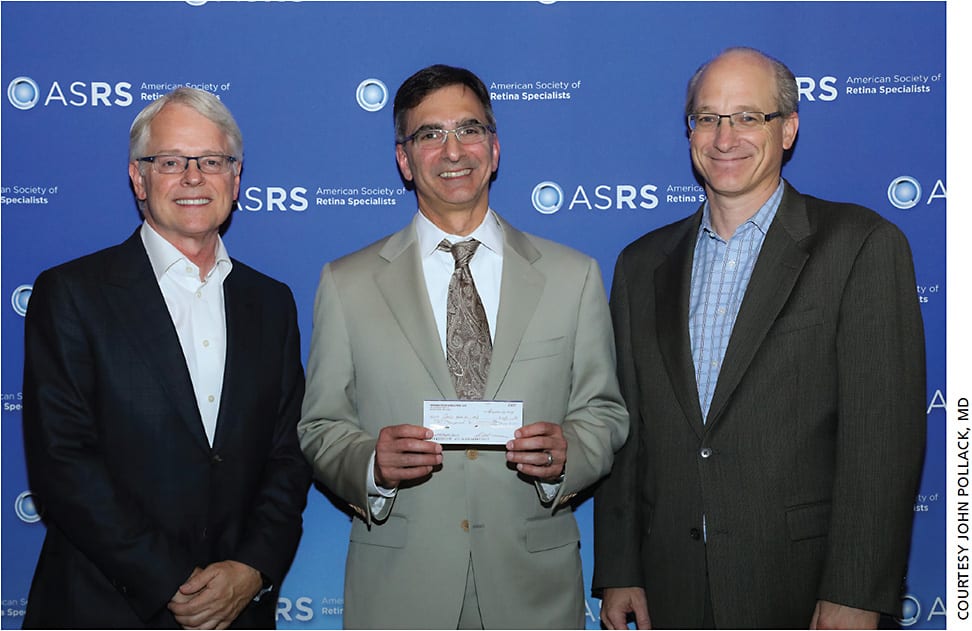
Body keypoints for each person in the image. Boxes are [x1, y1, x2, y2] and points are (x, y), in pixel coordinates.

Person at [593, 47, 926, 629]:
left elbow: (883, 441)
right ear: (690, 131)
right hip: (669, 587)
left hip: (801, 585)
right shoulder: (640, 264)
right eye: (707, 118)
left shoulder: (861, 245)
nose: (725, 138)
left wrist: (855, 591)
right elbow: (628, 431)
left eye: (748, 117)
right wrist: (621, 569)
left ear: (789, 128)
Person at [298, 64, 628, 629]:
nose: (453, 150)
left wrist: (568, 451)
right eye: (429, 134)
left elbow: (604, 412)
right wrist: (370, 464)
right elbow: (320, 425)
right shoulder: (346, 283)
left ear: (494, 149)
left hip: (535, 592)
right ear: (404, 159)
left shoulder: (573, 276)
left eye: (469, 129)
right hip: (400, 593)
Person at [21, 87, 311, 629]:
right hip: (105, 608)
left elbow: (288, 455)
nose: (193, 177)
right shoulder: (72, 294)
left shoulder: (271, 303)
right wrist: (170, 580)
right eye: (171, 161)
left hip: (237, 611)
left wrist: (251, 568)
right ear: (138, 178)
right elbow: (63, 463)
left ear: (236, 176)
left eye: (212, 161)